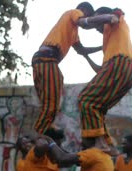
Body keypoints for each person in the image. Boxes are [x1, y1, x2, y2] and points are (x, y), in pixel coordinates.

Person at [32, 2, 102, 135]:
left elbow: (82, 50)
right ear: (85, 10)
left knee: (48, 100)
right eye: (89, 15)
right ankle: (38, 138)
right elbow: (84, 22)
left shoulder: (74, 32)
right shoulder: (74, 13)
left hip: (42, 59)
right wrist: (98, 21)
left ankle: (45, 131)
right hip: (47, 59)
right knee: (51, 105)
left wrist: (101, 47)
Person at [77, 7, 132, 154]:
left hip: (119, 64)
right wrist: (86, 55)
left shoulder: (115, 18)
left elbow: (114, 16)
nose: (97, 29)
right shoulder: (111, 43)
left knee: (85, 100)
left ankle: (100, 143)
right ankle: (109, 145)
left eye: (98, 23)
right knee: (98, 107)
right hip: (126, 71)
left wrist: (83, 22)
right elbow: (101, 71)